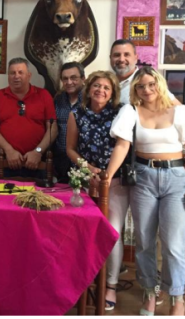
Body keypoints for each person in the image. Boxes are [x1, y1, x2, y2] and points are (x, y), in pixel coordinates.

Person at [106, 67, 185, 316]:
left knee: (173, 245)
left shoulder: (181, 112)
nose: (147, 90)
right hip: (143, 179)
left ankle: (177, 298)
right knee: (144, 242)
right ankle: (150, 293)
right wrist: (107, 177)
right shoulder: (130, 111)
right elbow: (122, 146)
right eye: (141, 86)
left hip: (176, 180)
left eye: (151, 84)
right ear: (135, 89)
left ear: (160, 84)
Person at [65, 70, 123, 311]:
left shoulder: (121, 113)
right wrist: (89, 170)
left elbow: (125, 146)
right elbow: (70, 149)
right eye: (97, 86)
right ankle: (80, 283)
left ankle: (110, 285)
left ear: (112, 93)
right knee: (82, 233)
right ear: (88, 89)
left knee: (112, 232)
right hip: (85, 180)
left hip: (115, 182)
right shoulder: (76, 114)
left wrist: (106, 174)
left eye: (106, 88)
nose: (101, 90)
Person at [0, 58, 57, 179]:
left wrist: (38, 151)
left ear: (29, 75)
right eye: (12, 73)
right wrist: (9, 150)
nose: (16, 76)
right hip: (7, 162)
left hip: (37, 162)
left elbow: (53, 129)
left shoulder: (43, 95)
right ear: (8, 76)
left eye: (20, 72)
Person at [54, 62, 86, 182]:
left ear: (83, 78)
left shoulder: (90, 100)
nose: (69, 82)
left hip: (82, 162)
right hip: (60, 162)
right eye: (65, 79)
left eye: (73, 78)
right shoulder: (58, 99)